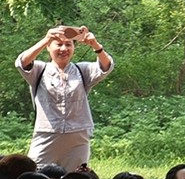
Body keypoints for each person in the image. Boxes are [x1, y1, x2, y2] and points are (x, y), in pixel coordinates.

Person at [15, 25, 114, 170]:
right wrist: (46, 39)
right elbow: (22, 63)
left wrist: (95, 45)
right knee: (37, 176)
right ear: (48, 47)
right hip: (47, 134)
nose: (64, 49)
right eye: (58, 44)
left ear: (74, 48)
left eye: (68, 44)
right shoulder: (39, 70)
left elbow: (106, 67)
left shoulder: (82, 70)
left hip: (77, 137)